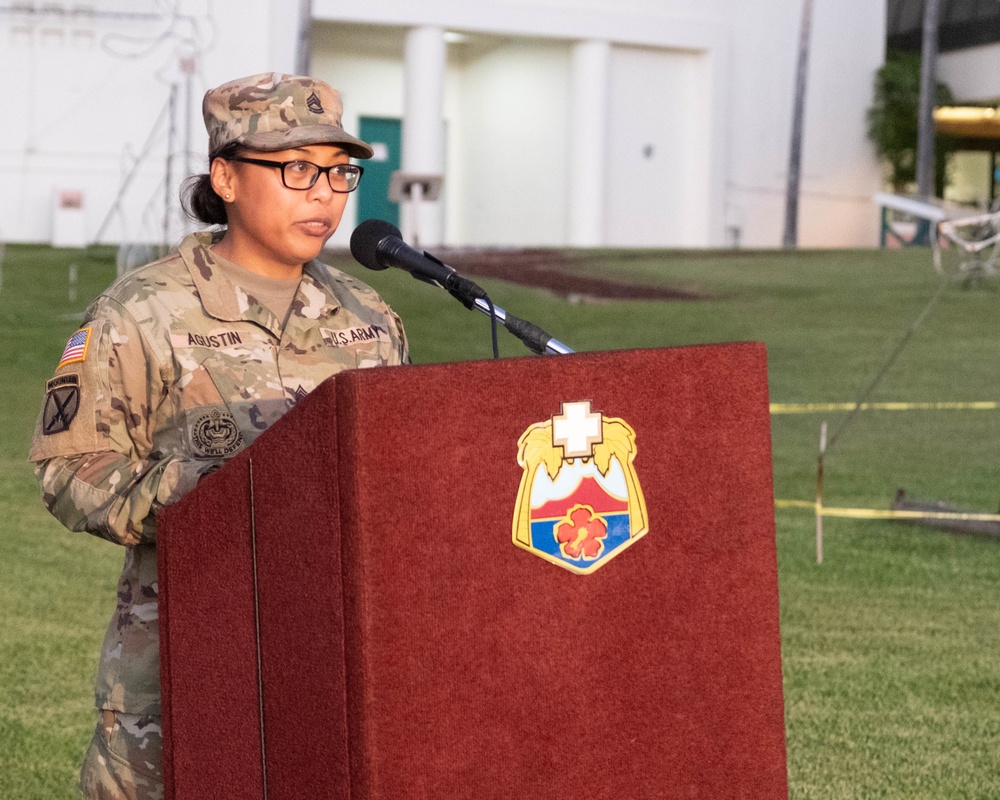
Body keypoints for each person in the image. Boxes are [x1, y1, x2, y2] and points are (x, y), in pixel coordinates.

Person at [28, 72, 408, 800]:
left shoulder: (370, 314)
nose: (325, 194)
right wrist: (200, 486)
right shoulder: (143, 311)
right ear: (227, 178)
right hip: (180, 670)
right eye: (297, 169)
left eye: (339, 171)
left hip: (328, 663)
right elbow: (69, 473)